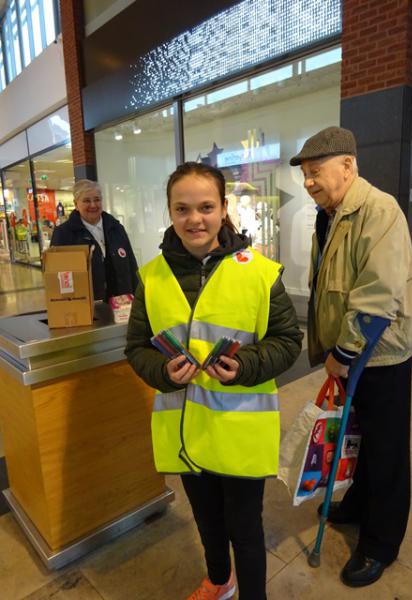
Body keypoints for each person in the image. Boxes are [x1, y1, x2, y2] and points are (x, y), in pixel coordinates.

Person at [125, 162, 302, 600]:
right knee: (206, 520)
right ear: (169, 212)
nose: (194, 219)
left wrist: (247, 366)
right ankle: (219, 582)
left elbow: (288, 340)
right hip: (186, 429)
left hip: (240, 429)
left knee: (244, 528)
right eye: (182, 208)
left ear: (224, 209)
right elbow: (136, 347)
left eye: (206, 206)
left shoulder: (260, 273)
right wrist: (162, 372)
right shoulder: (152, 277)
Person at [290, 126, 412, 587]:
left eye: (315, 171)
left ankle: (381, 543)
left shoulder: (378, 210)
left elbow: (377, 295)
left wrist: (343, 353)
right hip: (347, 354)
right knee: (358, 436)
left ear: (347, 165)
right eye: (305, 174)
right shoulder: (331, 213)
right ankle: (360, 503)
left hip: (379, 354)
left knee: (386, 449)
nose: (308, 182)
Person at [51, 179, 138, 301]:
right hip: (86, 306)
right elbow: (57, 277)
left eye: (97, 200)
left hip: (122, 306)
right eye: (86, 200)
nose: (93, 205)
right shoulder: (64, 234)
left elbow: (132, 266)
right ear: (76, 204)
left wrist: (138, 298)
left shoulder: (116, 228)